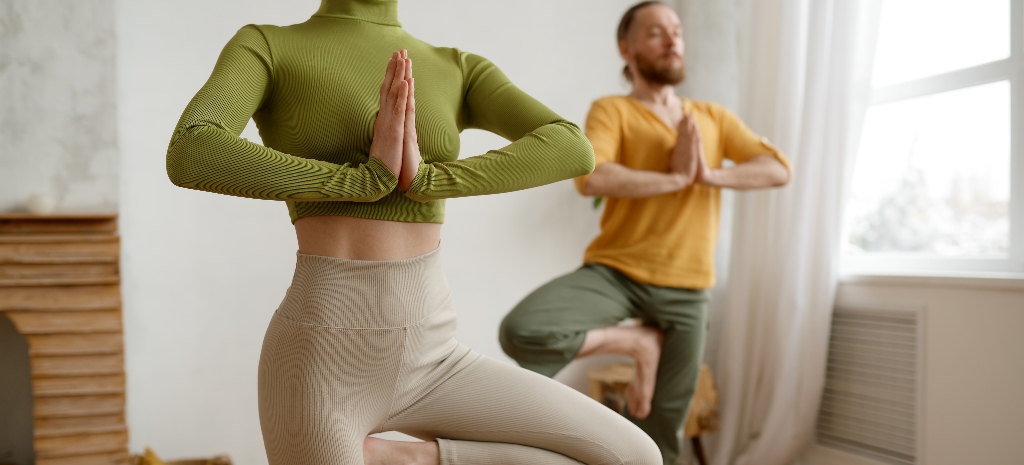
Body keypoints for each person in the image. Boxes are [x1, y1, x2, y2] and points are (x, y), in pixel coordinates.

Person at [165, 1, 665, 464]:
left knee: (635, 456)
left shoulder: (456, 65)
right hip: (321, 362)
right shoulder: (269, 45)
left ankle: (416, 458)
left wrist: (425, 179)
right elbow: (192, 149)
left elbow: (571, 147)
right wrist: (362, 180)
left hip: (435, 352)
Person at [499, 2, 793, 464]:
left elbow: (776, 168)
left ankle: (648, 356)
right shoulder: (613, 110)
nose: (673, 39)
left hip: (688, 290)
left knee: (658, 439)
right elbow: (591, 176)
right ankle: (639, 342)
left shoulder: (711, 118)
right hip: (617, 272)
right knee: (523, 330)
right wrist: (674, 180)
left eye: (677, 30)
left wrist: (706, 176)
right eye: (656, 32)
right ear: (627, 48)